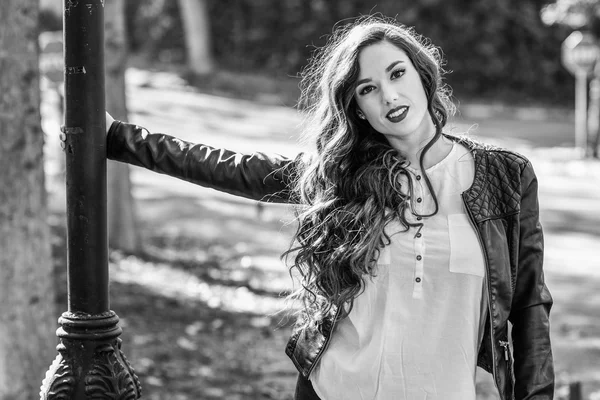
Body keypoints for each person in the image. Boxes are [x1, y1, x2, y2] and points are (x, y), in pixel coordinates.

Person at [105, 16, 553, 400]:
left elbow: (530, 308)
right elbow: (229, 168)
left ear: (422, 73)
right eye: (368, 89)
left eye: (397, 74)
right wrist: (119, 138)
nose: (390, 98)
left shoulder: (504, 178)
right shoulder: (342, 175)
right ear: (356, 109)